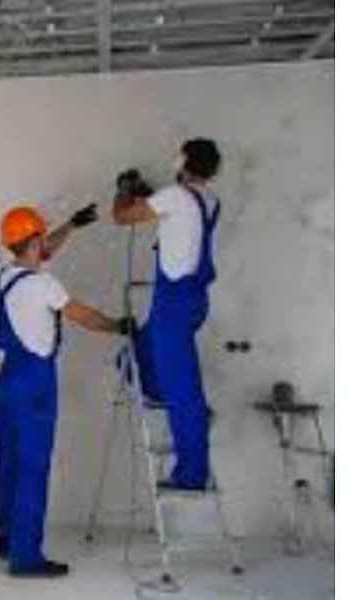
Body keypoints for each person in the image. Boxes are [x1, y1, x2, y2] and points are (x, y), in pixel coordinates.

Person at [0, 204, 133, 578]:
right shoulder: (44, 285)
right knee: (33, 467)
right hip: (35, 385)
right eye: (41, 236)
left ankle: (7, 536)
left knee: (9, 461)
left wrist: (71, 226)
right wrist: (118, 325)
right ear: (33, 241)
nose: (45, 243)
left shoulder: (4, 276)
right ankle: (25, 557)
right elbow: (84, 316)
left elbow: (42, 251)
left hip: (7, 379)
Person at [112, 138, 223, 492]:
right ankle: (172, 399)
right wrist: (148, 195)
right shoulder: (208, 200)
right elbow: (175, 216)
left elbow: (121, 217)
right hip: (190, 300)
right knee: (134, 356)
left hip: (173, 304)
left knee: (184, 391)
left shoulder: (175, 196)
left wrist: (124, 190)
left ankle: (191, 474)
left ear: (183, 162)